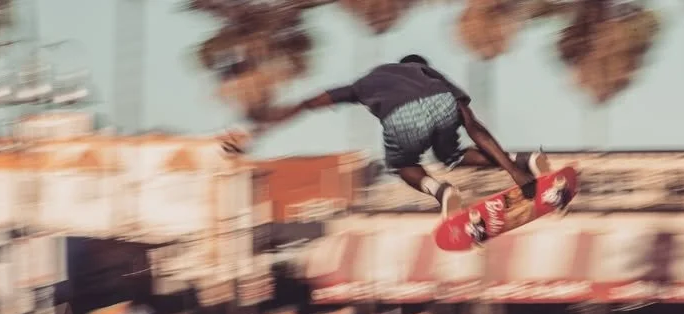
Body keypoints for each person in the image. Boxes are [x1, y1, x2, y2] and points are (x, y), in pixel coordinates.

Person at [223, 54, 550, 213]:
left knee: (403, 165)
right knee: (451, 156)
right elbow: (474, 127)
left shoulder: (364, 83)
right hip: (443, 104)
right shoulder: (432, 77)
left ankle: (441, 192)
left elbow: (307, 104)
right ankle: (527, 159)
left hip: (401, 117)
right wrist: (515, 171)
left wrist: (257, 131)